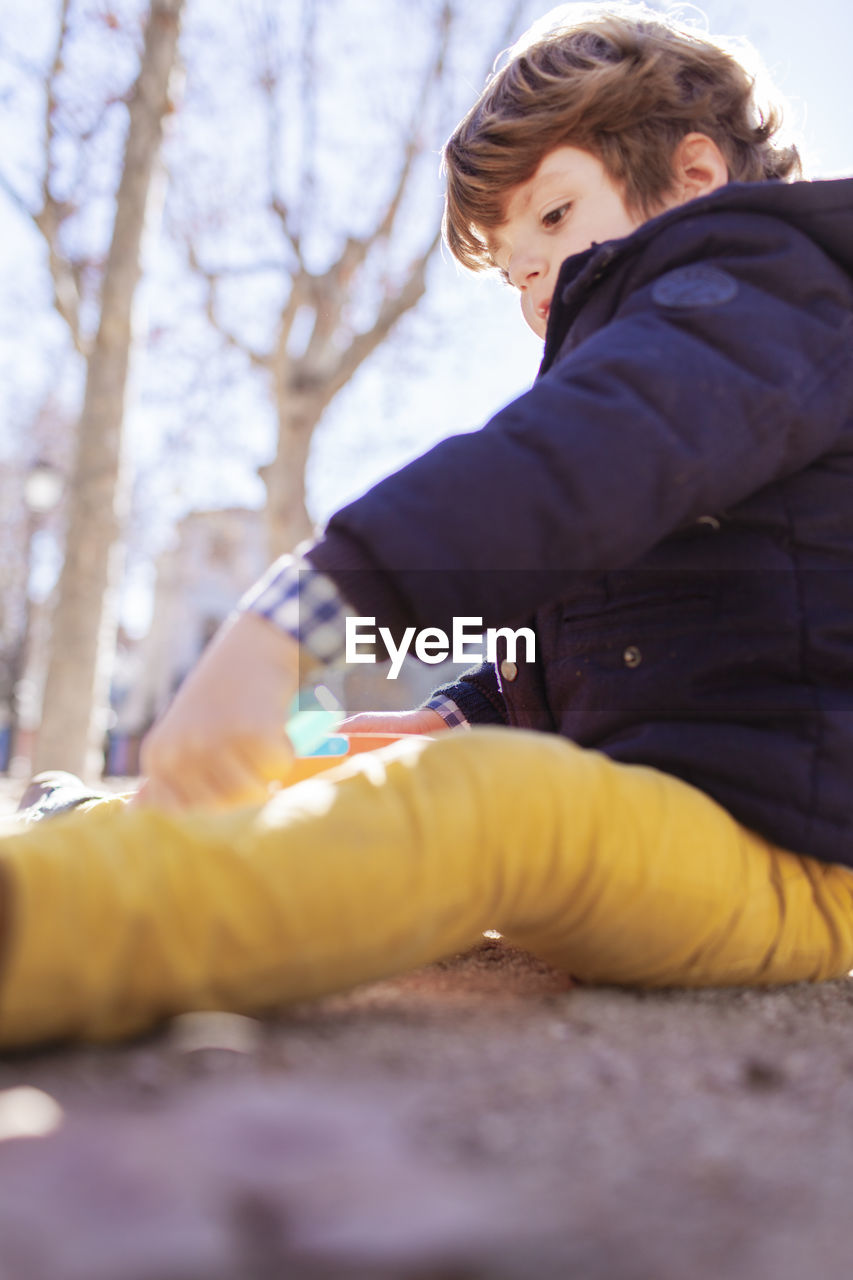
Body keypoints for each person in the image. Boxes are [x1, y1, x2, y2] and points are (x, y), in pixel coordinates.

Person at [3, 1, 853, 1050]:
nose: (534, 287)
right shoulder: (678, 388)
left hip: (793, 855)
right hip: (662, 813)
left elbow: (572, 462)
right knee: (349, 755)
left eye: (552, 216)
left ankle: (51, 930)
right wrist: (455, 713)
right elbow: (582, 642)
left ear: (693, 178)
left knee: (481, 806)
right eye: (510, 270)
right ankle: (114, 836)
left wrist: (303, 609)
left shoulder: (773, 299)